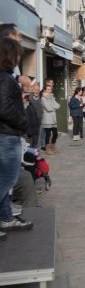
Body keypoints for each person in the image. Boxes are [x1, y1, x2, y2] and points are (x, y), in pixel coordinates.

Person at [0, 36, 32, 239]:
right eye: (18, 53)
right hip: (7, 135)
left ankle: (5, 217)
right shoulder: (5, 78)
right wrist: (22, 121)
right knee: (7, 180)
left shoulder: (5, 77)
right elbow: (4, 107)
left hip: (6, 134)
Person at [41, 84, 60, 155]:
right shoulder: (43, 98)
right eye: (48, 89)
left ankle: (52, 147)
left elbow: (58, 106)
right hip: (47, 119)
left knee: (55, 134)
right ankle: (47, 149)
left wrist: (51, 105)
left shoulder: (52, 97)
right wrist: (53, 106)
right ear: (45, 90)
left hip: (53, 119)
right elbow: (48, 109)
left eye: (50, 89)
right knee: (48, 135)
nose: (49, 91)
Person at [26, 82, 43, 148]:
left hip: (39, 121)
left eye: (38, 90)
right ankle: (30, 150)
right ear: (32, 90)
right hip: (31, 121)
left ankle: (35, 150)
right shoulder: (29, 98)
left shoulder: (41, 98)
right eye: (35, 90)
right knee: (30, 137)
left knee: (37, 137)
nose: (36, 91)